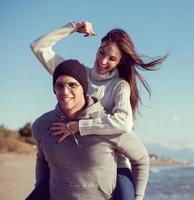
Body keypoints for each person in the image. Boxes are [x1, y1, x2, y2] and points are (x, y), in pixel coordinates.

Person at [30, 21, 167, 199]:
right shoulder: (76, 75)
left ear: (121, 61)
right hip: (69, 159)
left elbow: (124, 123)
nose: (103, 61)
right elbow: (38, 47)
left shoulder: (119, 86)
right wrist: (72, 27)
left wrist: (78, 126)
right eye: (102, 52)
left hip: (114, 161)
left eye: (112, 58)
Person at [28, 59, 149, 200]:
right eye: (59, 85)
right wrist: (39, 189)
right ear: (54, 89)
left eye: (73, 85)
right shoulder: (41, 125)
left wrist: (138, 196)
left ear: (84, 88)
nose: (65, 91)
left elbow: (141, 159)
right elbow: (42, 159)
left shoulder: (107, 125)